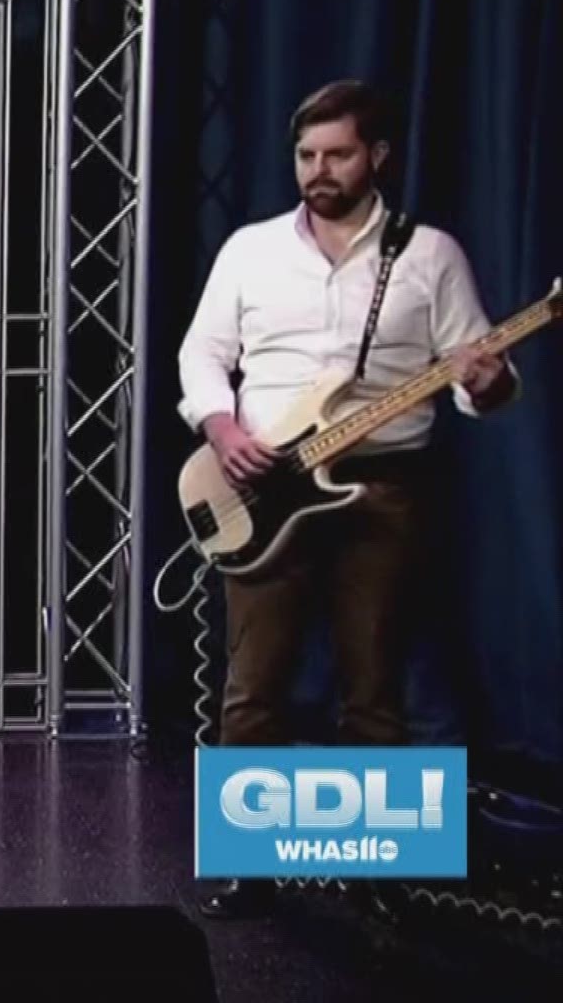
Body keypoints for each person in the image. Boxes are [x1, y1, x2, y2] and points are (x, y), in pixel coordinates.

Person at [176, 80, 518, 918]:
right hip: (263, 487)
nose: (317, 171)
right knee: (252, 682)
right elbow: (200, 357)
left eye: (336, 154)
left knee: (375, 680)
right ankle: (247, 870)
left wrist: (491, 378)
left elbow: (479, 385)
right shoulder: (251, 251)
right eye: (305, 155)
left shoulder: (429, 255)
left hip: (384, 486)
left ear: (378, 157)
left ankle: (381, 874)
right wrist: (224, 431)